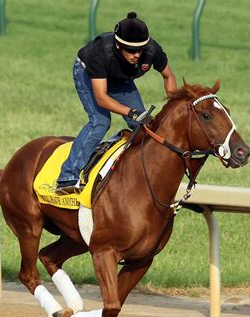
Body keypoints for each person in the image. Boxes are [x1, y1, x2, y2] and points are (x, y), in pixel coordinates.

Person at [56, 11, 177, 195]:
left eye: (140, 50)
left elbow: (168, 75)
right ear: (118, 45)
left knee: (143, 126)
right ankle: (67, 177)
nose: (137, 55)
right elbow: (101, 98)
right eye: (131, 50)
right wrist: (131, 112)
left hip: (120, 78)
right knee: (100, 122)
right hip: (87, 73)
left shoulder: (152, 50)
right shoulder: (101, 51)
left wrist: (173, 106)